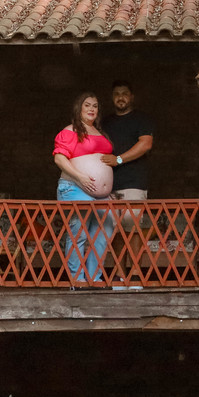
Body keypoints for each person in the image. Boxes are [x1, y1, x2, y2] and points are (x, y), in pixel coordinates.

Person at [53, 92, 115, 285]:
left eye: (95, 106)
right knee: (79, 232)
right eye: (87, 105)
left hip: (101, 195)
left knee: (105, 231)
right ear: (79, 108)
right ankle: (77, 279)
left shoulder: (100, 132)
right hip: (75, 186)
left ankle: (94, 277)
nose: (91, 109)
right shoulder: (70, 130)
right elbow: (59, 158)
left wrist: (106, 189)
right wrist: (80, 176)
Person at [100, 80, 154, 203]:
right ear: (112, 97)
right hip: (107, 186)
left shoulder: (142, 119)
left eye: (124, 94)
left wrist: (118, 159)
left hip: (133, 185)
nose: (120, 97)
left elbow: (146, 144)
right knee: (106, 217)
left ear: (132, 97)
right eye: (117, 94)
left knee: (131, 216)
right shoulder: (105, 122)